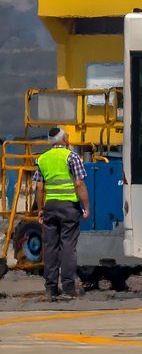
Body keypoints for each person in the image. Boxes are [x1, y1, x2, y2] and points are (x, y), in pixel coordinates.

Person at [30, 127, 90, 301]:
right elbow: (79, 184)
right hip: (69, 208)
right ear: (63, 139)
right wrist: (86, 207)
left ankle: (50, 288)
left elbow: (39, 187)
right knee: (68, 247)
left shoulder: (42, 158)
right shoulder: (71, 157)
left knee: (50, 248)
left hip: (50, 207)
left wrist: (40, 209)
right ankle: (69, 288)